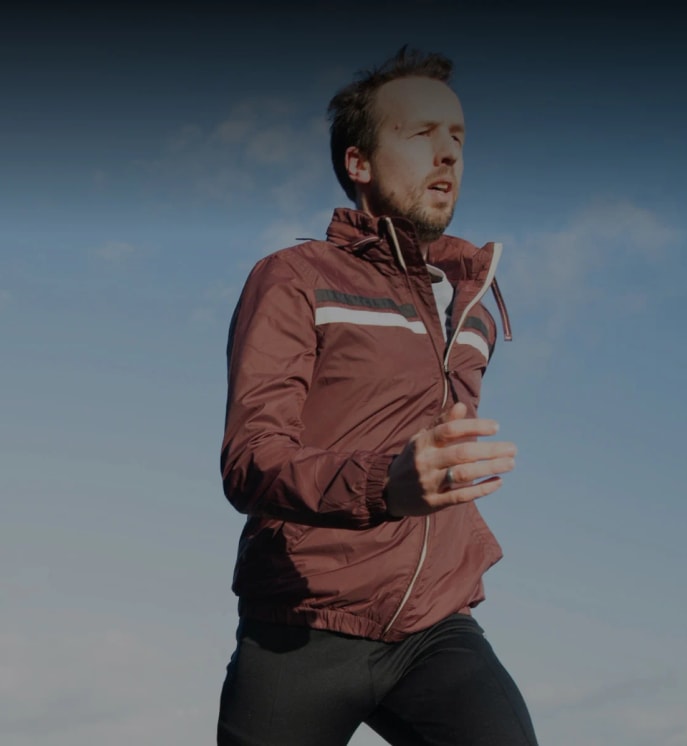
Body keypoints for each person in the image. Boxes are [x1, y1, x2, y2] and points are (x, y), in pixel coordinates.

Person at [216, 46, 538, 745]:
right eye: (421, 134)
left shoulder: (473, 298)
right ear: (359, 163)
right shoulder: (294, 277)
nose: (447, 154)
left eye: (456, 137)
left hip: (435, 624)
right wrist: (383, 483)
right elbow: (250, 460)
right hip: (301, 622)